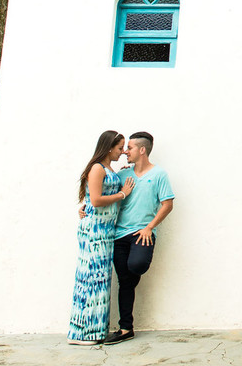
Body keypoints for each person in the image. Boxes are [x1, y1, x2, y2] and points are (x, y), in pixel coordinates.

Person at [103, 131, 174, 345]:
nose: (125, 151)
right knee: (125, 283)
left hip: (142, 234)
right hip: (119, 235)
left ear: (142, 150)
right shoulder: (123, 175)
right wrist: (86, 208)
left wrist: (149, 228)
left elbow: (167, 204)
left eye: (130, 148)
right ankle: (126, 329)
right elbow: (104, 195)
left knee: (136, 266)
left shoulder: (159, 175)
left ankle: (126, 325)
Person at [67, 131, 134, 345]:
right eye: (119, 147)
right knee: (90, 279)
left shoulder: (107, 169)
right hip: (95, 231)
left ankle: (95, 331)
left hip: (105, 231)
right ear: (108, 148)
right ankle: (83, 333)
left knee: (100, 280)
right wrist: (123, 194)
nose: (122, 152)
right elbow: (95, 200)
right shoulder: (97, 168)